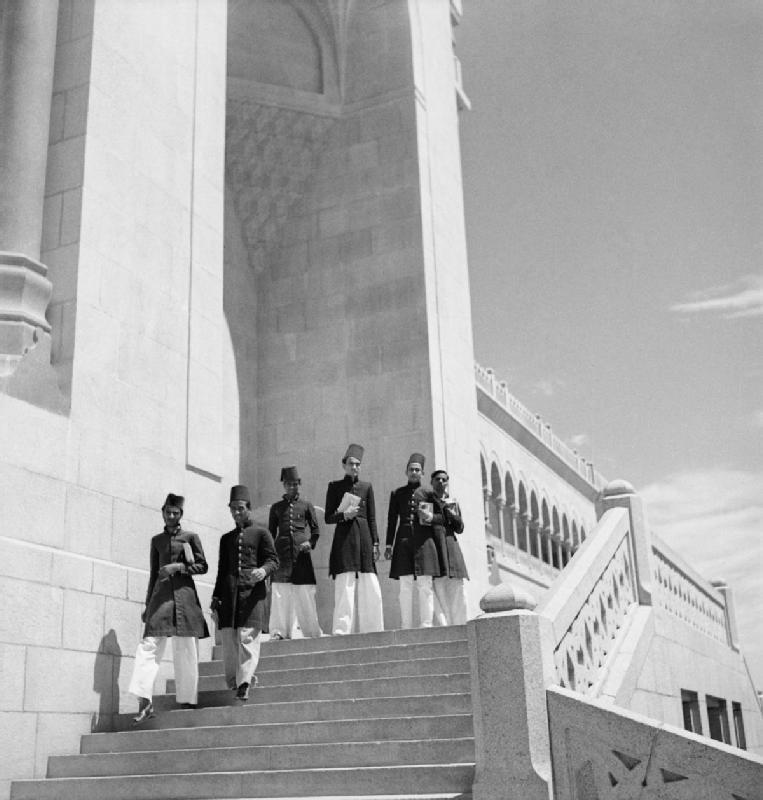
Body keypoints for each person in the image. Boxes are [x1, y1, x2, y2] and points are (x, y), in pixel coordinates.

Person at [129, 493, 209, 725]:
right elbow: (153, 574)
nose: (171, 516)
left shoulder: (191, 537)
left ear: (181, 515)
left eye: (175, 513)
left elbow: (203, 566)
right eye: (168, 512)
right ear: (163, 512)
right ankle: (144, 700)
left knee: (186, 648)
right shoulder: (157, 541)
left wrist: (178, 567)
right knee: (148, 646)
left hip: (185, 599)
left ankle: (187, 699)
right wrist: (147, 605)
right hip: (161, 599)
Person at [211, 485, 278, 701]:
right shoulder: (226, 539)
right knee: (229, 640)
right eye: (233, 509)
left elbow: (273, 560)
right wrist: (215, 598)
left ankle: (245, 681)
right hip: (229, 593)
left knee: (247, 637)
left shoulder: (261, 532)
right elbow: (222, 570)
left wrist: (263, 570)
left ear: (248, 508)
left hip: (252, 594)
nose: (236, 513)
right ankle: (234, 681)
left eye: (240, 508)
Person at [325, 443, 384, 635]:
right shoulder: (334, 487)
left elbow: (372, 517)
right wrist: (344, 515)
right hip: (344, 540)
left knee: (370, 584)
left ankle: (373, 629)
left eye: (358, 464)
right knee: (345, 584)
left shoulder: (366, 487)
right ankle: (342, 630)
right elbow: (328, 517)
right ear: (344, 465)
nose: (355, 467)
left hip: (365, 539)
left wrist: (375, 542)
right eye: (351, 464)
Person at [384, 452, 440, 628]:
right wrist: (388, 545)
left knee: (425, 584)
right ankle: (406, 625)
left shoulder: (429, 494)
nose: (414, 472)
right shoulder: (397, 493)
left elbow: (441, 518)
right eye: (411, 469)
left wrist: (430, 516)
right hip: (403, 542)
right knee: (405, 586)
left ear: (422, 473)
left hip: (424, 542)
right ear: (406, 472)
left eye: (417, 470)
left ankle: (426, 624)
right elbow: (392, 520)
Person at [267, 466, 322, 640]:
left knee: (305, 593)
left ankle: (311, 632)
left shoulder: (306, 505)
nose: (292, 487)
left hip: (301, 555)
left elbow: (316, 531)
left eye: (295, 484)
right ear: (284, 485)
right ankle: (278, 631)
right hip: (281, 555)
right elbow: (269, 534)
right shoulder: (276, 507)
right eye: (289, 484)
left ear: (299, 484)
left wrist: (310, 543)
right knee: (280, 593)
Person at [422, 469, 470, 625]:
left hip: (452, 551)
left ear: (447, 482)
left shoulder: (452, 503)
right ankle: (445, 628)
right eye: (437, 479)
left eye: (444, 479)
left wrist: (452, 516)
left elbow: (460, 528)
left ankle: (461, 627)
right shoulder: (426, 501)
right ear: (432, 482)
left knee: (458, 593)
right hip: (436, 552)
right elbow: (424, 520)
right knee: (439, 595)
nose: (441, 482)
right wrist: (441, 518)